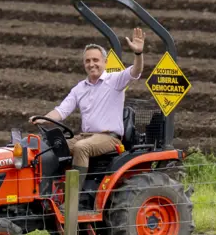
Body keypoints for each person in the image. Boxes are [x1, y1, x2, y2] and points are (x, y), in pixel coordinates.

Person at [29, 27, 146, 199]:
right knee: (51, 147)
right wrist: (43, 119)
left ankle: (72, 199)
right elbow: (62, 111)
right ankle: (45, 193)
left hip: (108, 137)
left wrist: (138, 54)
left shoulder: (115, 80)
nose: (92, 64)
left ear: (105, 62)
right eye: (88, 61)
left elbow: (135, 71)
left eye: (96, 60)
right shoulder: (79, 88)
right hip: (86, 135)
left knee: (81, 148)